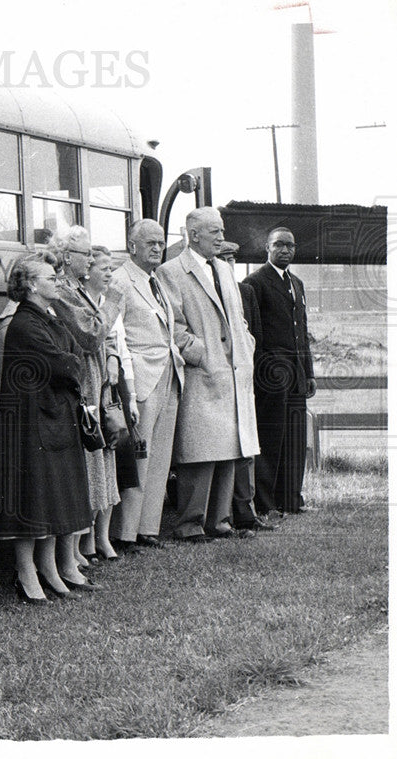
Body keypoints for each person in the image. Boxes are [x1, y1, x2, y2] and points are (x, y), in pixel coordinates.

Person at [155, 207, 260, 542]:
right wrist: (202, 354)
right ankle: (190, 523)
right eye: (214, 231)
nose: (221, 237)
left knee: (230, 449)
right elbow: (174, 328)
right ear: (193, 234)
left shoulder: (225, 271)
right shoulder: (171, 272)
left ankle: (221, 520)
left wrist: (246, 344)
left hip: (232, 372)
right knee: (199, 453)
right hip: (203, 372)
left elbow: (238, 318)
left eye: (221, 230)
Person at [0, 255, 90, 603]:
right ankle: (26, 571)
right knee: (34, 497)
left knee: (51, 497)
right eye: (51, 277)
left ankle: (48, 568)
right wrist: (72, 364)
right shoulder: (24, 323)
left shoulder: (47, 317)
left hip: (51, 416)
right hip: (32, 422)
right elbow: (63, 364)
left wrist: (72, 361)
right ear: (32, 284)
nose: (58, 281)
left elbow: (76, 350)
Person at [49, 228, 122, 582]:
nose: (90, 260)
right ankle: (75, 548)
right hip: (82, 384)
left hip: (95, 383)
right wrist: (112, 305)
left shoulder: (76, 290)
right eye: (84, 253)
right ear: (66, 257)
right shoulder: (63, 291)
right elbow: (92, 334)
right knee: (85, 461)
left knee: (95, 460)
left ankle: (83, 544)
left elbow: (100, 338)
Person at [108, 219, 184, 552]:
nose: (157, 248)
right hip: (139, 378)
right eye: (150, 243)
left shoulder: (156, 280)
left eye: (161, 242)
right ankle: (125, 534)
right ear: (132, 245)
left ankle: (148, 528)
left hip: (167, 374)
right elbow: (113, 332)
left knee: (159, 457)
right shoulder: (120, 280)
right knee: (138, 456)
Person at [243, 227, 317, 517]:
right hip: (271, 374)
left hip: (297, 373)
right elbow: (253, 333)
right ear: (267, 248)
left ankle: (291, 500)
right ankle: (266, 503)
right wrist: (263, 370)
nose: (285, 250)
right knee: (271, 438)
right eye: (279, 245)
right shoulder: (254, 282)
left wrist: (308, 372)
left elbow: (303, 329)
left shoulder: (297, 283)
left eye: (290, 246)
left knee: (295, 439)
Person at [218, 242, 274, 532]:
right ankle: (223, 513)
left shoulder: (245, 291)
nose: (228, 264)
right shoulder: (211, 290)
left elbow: (256, 335)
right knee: (226, 448)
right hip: (218, 382)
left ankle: (247, 511)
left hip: (244, 378)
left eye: (232, 259)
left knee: (247, 447)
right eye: (222, 258)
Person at [79, 246, 122, 563]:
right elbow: (94, 334)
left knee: (108, 461)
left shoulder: (102, 301)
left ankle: (103, 536)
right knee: (92, 463)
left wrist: (113, 359)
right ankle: (88, 539)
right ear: (88, 269)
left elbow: (112, 340)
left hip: (107, 389)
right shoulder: (83, 299)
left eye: (111, 268)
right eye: (104, 268)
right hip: (90, 387)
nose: (109, 273)